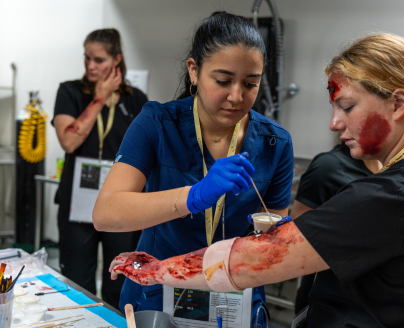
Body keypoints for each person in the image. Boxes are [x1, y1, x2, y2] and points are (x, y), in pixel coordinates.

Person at [109, 33, 404, 328]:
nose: (334, 123)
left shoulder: (393, 194)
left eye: (347, 107)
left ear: (398, 103)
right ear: (194, 72)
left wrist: (155, 267)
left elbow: (248, 261)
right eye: (222, 80)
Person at [93, 11, 294, 325]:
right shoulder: (157, 124)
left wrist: (280, 235)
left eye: (251, 83)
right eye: (223, 81)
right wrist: (194, 196)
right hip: (160, 290)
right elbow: (106, 212)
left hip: (233, 296)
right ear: (194, 71)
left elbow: (274, 234)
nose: (237, 96)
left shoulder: (275, 143)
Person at [52, 28, 148, 308]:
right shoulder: (70, 91)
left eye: (99, 60)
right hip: (77, 204)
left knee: (118, 280)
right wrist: (99, 98)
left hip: (120, 202)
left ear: (117, 60)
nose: (90, 66)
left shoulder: (136, 100)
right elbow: (69, 141)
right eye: (87, 58)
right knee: (76, 281)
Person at [291, 141, 382, 314]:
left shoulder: (391, 168)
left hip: (371, 302)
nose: (335, 124)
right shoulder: (328, 167)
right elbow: (296, 241)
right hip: (330, 304)